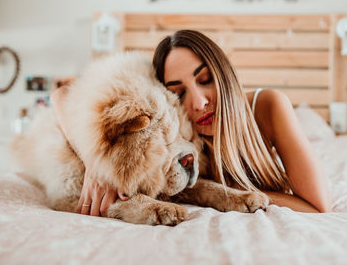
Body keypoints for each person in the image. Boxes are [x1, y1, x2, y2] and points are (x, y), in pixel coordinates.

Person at [51, 30, 332, 216]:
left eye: (205, 80)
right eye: (178, 92)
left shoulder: (268, 105)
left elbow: (318, 206)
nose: (198, 103)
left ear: (224, 74)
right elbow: (61, 94)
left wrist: (235, 196)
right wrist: (94, 161)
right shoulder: (179, 136)